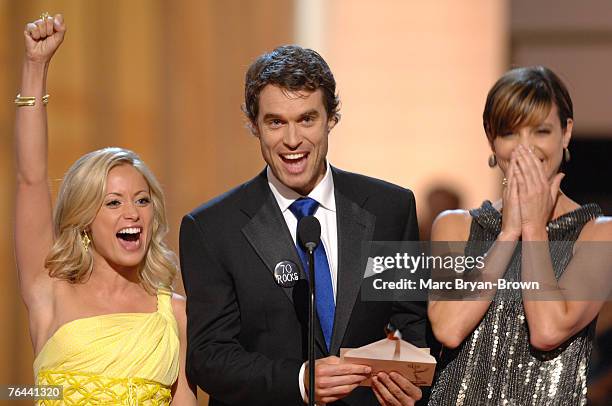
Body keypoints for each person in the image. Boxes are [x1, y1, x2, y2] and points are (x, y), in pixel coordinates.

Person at [180, 45, 426, 406]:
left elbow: (410, 322)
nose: (292, 140)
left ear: (331, 119)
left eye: (307, 119)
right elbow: (210, 357)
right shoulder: (211, 228)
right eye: (275, 122)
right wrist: (298, 381)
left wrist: (405, 376)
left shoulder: (392, 208)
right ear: (254, 125)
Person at [14, 13, 197, 405]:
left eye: (142, 200)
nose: (132, 213)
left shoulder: (176, 315)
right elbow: (30, 178)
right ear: (84, 221)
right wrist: (35, 66)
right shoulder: (49, 293)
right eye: (112, 202)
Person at [427, 66, 612, 405]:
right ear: (490, 137)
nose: (525, 150)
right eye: (511, 133)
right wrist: (508, 233)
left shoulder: (599, 234)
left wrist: (534, 229)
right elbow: (449, 329)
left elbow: (548, 330)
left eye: (541, 131)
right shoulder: (455, 226)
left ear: (566, 133)